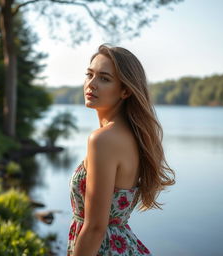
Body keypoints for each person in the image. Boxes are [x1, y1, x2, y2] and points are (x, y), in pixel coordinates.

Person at [67, 44, 175, 256]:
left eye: (104, 78)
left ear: (125, 90)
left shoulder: (103, 140)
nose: (91, 84)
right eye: (89, 75)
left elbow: (95, 228)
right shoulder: (133, 136)